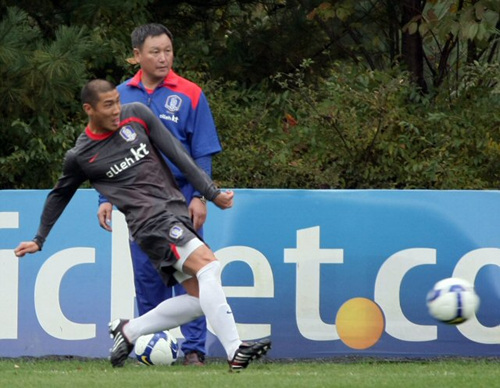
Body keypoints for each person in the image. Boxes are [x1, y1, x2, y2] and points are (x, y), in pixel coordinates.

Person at [14, 79, 271, 371]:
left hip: (173, 212)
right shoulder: (81, 156)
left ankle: (130, 330)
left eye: (116, 102)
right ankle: (235, 350)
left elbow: (178, 154)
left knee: (201, 298)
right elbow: (59, 194)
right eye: (108, 105)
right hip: (150, 223)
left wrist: (210, 193)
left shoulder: (136, 114)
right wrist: (40, 238)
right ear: (89, 109)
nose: (116, 110)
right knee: (209, 267)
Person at [97, 23, 221, 366]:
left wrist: (200, 195)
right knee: (149, 276)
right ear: (137, 55)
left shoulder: (191, 93)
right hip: (140, 201)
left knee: (194, 277)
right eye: (155, 51)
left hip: (181, 197)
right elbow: (105, 153)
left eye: (168, 50)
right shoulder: (119, 96)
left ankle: (194, 350)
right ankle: (150, 348)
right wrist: (104, 198)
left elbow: (203, 152)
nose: (163, 57)